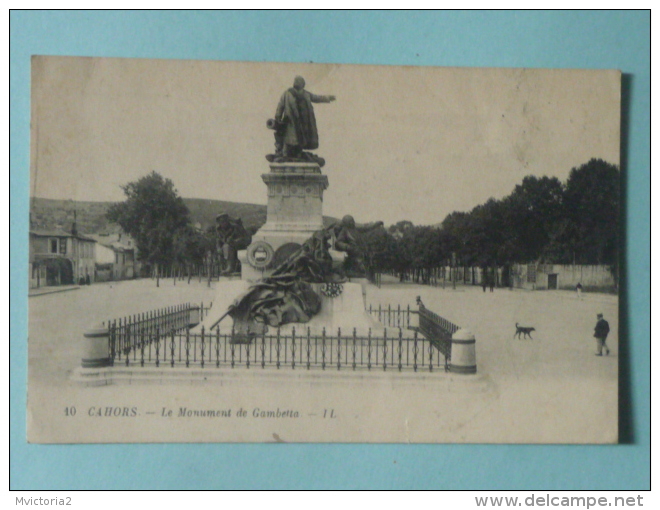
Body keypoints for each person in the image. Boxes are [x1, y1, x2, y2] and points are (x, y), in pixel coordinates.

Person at [272, 76, 335, 158]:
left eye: (300, 82)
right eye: (297, 82)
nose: (298, 83)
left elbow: (316, 98)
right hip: (291, 121)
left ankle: (298, 154)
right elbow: (280, 106)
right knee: (288, 139)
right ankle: (284, 154)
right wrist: (278, 117)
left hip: (304, 122)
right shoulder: (287, 93)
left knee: (301, 139)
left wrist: (328, 98)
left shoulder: (305, 94)